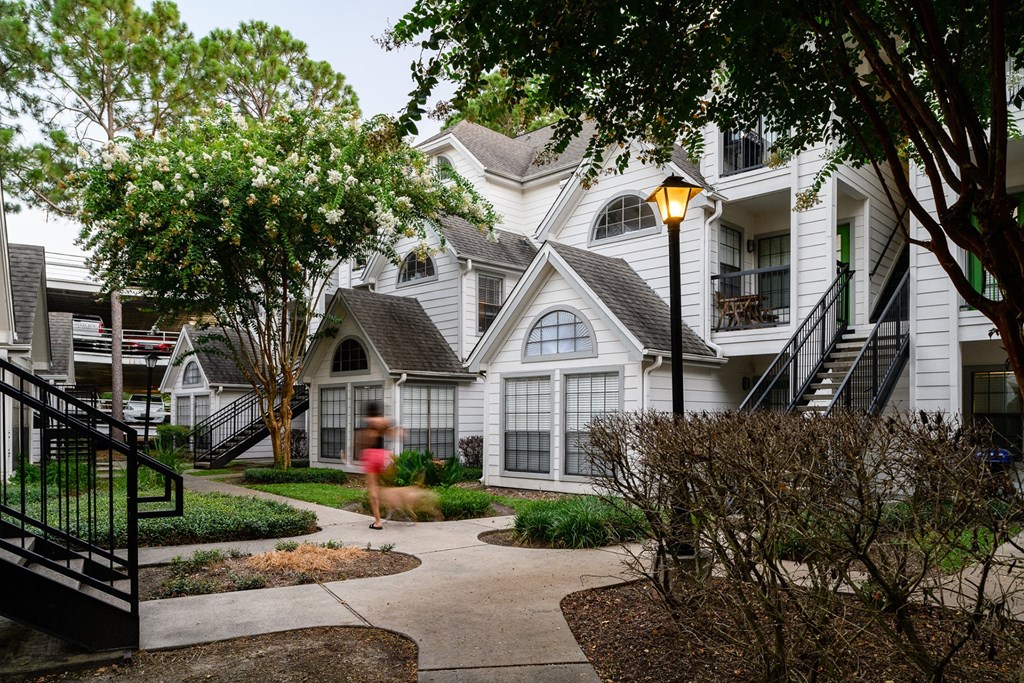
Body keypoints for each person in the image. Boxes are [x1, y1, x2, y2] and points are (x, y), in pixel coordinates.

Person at [357, 402, 397, 529]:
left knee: (373, 488)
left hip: (371, 455)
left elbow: (365, 439)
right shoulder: (383, 421)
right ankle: (396, 504)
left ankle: (378, 522)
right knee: (385, 485)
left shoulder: (368, 421)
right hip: (383, 455)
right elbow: (392, 433)